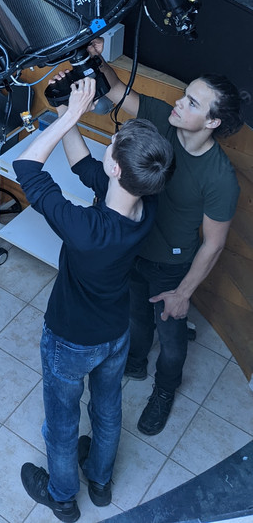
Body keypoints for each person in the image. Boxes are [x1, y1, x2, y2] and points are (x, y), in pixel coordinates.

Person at [14, 76, 174, 522]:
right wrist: (72, 118)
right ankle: (100, 483)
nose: (108, 149)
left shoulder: (88, 230)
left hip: (70, 339)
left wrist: (68, 116)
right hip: (115, 332)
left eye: (113, 145)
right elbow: (89, 169)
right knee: (106, 411)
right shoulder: (145, 201)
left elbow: (28, 167)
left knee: (62, 425)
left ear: (118, 169)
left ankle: (63, 496)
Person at [86, 36, 248, 436]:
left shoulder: (220, 178)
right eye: (184, 95)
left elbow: (214, 243)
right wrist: (95, 60)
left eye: (192, 102)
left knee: (172, 340)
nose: (179, 102)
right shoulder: (164, 120)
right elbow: (119, 92)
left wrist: (183, 293)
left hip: (171, 268)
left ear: (212, 123)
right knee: (136, 317)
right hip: (137, 248)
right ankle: (136, 363)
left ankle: (165, 389)